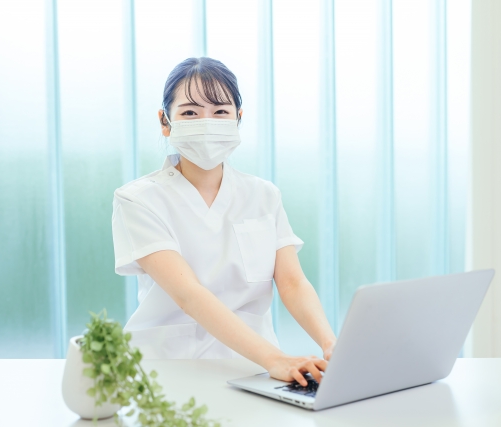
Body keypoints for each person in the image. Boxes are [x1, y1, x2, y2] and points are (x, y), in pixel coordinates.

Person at [111, 57, 335, 386]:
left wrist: (332, 345)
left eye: (220, 112)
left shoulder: (263, 195)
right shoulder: (139, 200)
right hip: (168, 371)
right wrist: (277, 359)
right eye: (190, 113)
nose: (206, 122)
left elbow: (292, 283)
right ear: (165, 122)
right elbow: (189, 295)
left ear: (238, 119)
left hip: (256, 370)